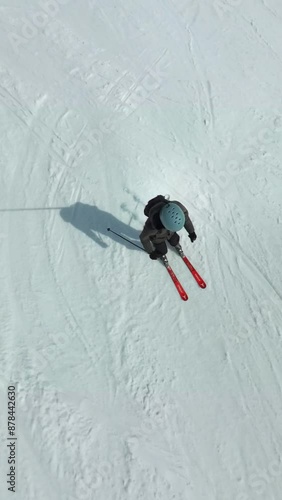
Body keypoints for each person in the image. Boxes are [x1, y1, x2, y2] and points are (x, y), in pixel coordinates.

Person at [140, 195, 197, 260]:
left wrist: (191, 231)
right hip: (158, 238)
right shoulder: (152, 227)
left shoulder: (178, 208)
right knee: (162, 250)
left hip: (171, 233)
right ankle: (161, 253)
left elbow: (185, 218)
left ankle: (175, 244)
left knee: (175, 240)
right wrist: (151, 252)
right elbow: (143, 238)